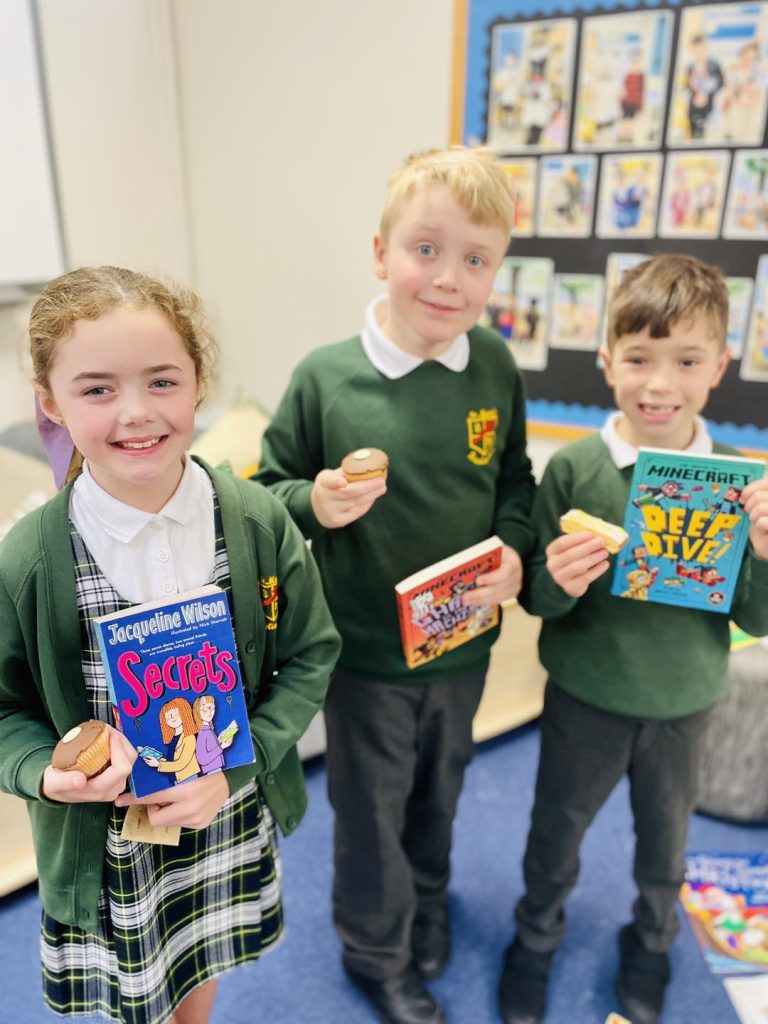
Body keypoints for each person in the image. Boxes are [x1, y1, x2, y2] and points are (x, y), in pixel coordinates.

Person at [0, 266, 340, 1024]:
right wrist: (43, 774)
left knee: (202, 961)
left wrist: (241, 764)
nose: (136, 413)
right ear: (50, 403)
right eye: (96, 389)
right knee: (137, 996)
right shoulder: (27, 561)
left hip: (224, 811)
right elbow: (2, 710)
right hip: (109, 851)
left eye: (162, 381)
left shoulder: (256, 522)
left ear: (198, 383)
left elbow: (311, 653)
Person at [255, 146, 537, 1024]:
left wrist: (516, 553)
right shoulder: (325, 377)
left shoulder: (494, 366)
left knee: (439, 791)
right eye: (426, 250)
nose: (448, 278)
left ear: (496, 272)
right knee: (371, 810)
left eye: (475, 259)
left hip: (463, 647)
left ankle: (427, 902)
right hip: (366, 656)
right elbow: (267, 493)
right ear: (381, 254)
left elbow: (516, 484)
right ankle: (376, 950)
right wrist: (314, 501)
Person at [497, 254, 768, 1024]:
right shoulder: (576, 469)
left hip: (685, 704)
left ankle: (651, 943)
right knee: (555, 835)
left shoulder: (741, 481)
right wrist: (557, 578)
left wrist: (764, 553)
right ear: (608, 361)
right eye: (641, 359)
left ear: (719, 367)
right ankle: (535, 939)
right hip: (585, 698)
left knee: (664, 848)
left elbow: (755, 620)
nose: (660, 384)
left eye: (686, 361)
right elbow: (540, 600)